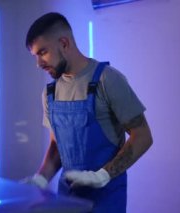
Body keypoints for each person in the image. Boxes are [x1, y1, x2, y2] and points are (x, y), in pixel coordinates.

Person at [24, 12, 153, 212]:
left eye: (42, 52)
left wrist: (102, 176)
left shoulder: (108, 80)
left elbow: (143, 136)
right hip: (67, 200)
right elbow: (57, 146)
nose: (38, 64)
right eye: (35, 56)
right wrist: (41, 179)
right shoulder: (50, 93)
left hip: (106, 199)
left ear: (64, 43)